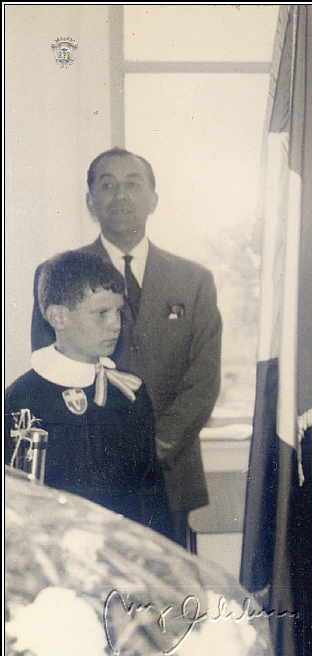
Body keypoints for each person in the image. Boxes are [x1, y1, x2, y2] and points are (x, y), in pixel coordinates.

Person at [30, 149, 221, 551]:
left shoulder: (194, 280)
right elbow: (52, 371)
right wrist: (107, 453)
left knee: (168, 600)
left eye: (133, 183)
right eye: (107, 184)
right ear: (90, 201)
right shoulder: (59, 275)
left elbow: (202, 383)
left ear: (153, 198)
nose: (121, 195)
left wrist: (149, 450)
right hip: (86, 475)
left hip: (170, 476)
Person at [6, 251, 167, 532]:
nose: (115, 324)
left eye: (118, 311)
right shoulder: (21, 400)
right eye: (101, 313)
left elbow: (152, 497)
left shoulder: (129, 395)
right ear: (58, 317)